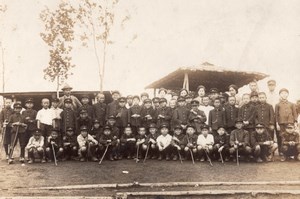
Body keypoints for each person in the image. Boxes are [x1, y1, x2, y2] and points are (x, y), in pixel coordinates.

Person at [275, 88, 297, 154]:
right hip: (281, 123)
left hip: (290, 123)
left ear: (288, 94)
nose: (284, 95)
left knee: (290, 137)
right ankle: (281, 152)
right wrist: (277, 124)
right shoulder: (277, 105)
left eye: (285, 93)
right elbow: (276, 115)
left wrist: (295, 122)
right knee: (281, 137)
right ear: (279, 95)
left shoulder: (292, 104)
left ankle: (290, 152)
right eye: (282, 93)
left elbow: (294, 113)